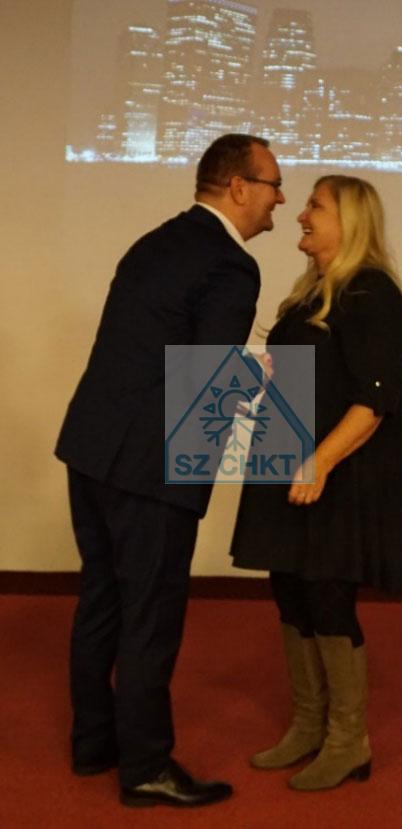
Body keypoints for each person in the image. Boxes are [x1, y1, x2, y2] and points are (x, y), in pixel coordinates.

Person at [55, 133, 285, 808]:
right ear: (238, 186)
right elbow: (208, 381)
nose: (280, 199)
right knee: (150, 615)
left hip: (91, 446)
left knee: (102, 596)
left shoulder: (155, 242)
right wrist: (259, 373)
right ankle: (147, 767)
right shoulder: (232, 266)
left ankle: (94, 742)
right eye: (273, 184)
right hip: (152, 466)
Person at [230, 174, 402, 791]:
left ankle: (349, 742)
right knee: (291, 595)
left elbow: (375, 400)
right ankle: (309, 724)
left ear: (350, 222)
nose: (300, 215)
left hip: (335, 477)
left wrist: (319, 463)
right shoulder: (311, 293)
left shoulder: (370, 291)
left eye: (315, 206)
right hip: (287, 471)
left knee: (327, 600)